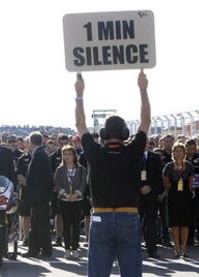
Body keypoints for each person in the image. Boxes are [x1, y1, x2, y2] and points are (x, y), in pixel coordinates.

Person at [74, 69, 151, 277]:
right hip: (129, 216)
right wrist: (143, 90)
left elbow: (80, 124)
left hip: (100, 216)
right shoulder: (133, 150)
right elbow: (145, 121)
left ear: (104, 135)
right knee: (131, 272)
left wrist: (79, 94)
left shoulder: (95, 151)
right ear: (125, 134)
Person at [22, 132, 53, 258]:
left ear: (30, 142)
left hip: (39, 196)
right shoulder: (42, 153)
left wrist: (26, 183)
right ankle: (46, 249)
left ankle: (34, 250)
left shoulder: (38, 155)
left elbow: (38, 178)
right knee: (42, 224)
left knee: (36, 224)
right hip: (42, 196)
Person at [54, 145, 87, 259]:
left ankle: (75, 248)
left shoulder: (81, 169)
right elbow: (57, 184)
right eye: (65, 154)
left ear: (74, 156)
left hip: (77, 200)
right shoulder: (60, 169)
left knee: (75, 225)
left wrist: (76, 194)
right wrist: (65, 194)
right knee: (66, 224)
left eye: (69, 154)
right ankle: (67, 248)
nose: (67, 157)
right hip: (64, 200)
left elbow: (83, 184)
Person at [163, 142, 194, 258]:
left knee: (185, 223)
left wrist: (191, 190)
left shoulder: (189, 165)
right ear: (173, 153)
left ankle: (184, 248)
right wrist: (171, 190)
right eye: (176, 151)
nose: (179, 153)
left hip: (186, 196)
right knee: (174, 223)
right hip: (173, 196)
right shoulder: (169, 166)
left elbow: (191, 182)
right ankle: (176, 248)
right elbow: (165, 182)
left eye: (181, 150)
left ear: (184, 152)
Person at [139, 138, 163, 259]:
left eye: (146, 142)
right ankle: (135, 248)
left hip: (151, 195)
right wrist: (140, 187)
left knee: (151, 223)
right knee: (136, 222)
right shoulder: (132, 156)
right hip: (137, 195)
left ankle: (152, 249)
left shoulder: (155, 157)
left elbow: (159, 176)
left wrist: (150, 187)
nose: (144, 145)